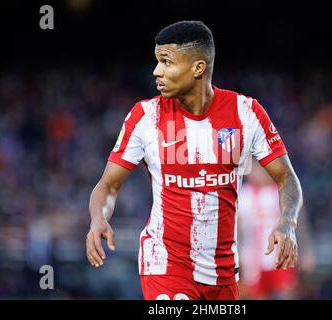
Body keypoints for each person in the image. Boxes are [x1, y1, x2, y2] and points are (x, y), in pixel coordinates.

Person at [86, 20, 303, 300]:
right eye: (157, 62)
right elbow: (109, 186)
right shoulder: (145, 117)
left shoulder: (246, 113)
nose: (156, 71)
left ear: (197, 68)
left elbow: (287, 178)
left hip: (223, 273)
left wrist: (287, 222)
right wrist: (97, 218)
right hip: (165, 265)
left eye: (166, 62)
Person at [238, 160, 314, 299]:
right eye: (253, 170)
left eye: (260, 169)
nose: (256, 173)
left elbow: (300, 222)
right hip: (253, 261)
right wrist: (237, 254)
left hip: (281, 256)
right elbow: (238, 229)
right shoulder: (244, 194)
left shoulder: (284, 192)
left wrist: (306, 252)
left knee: (287, 293)